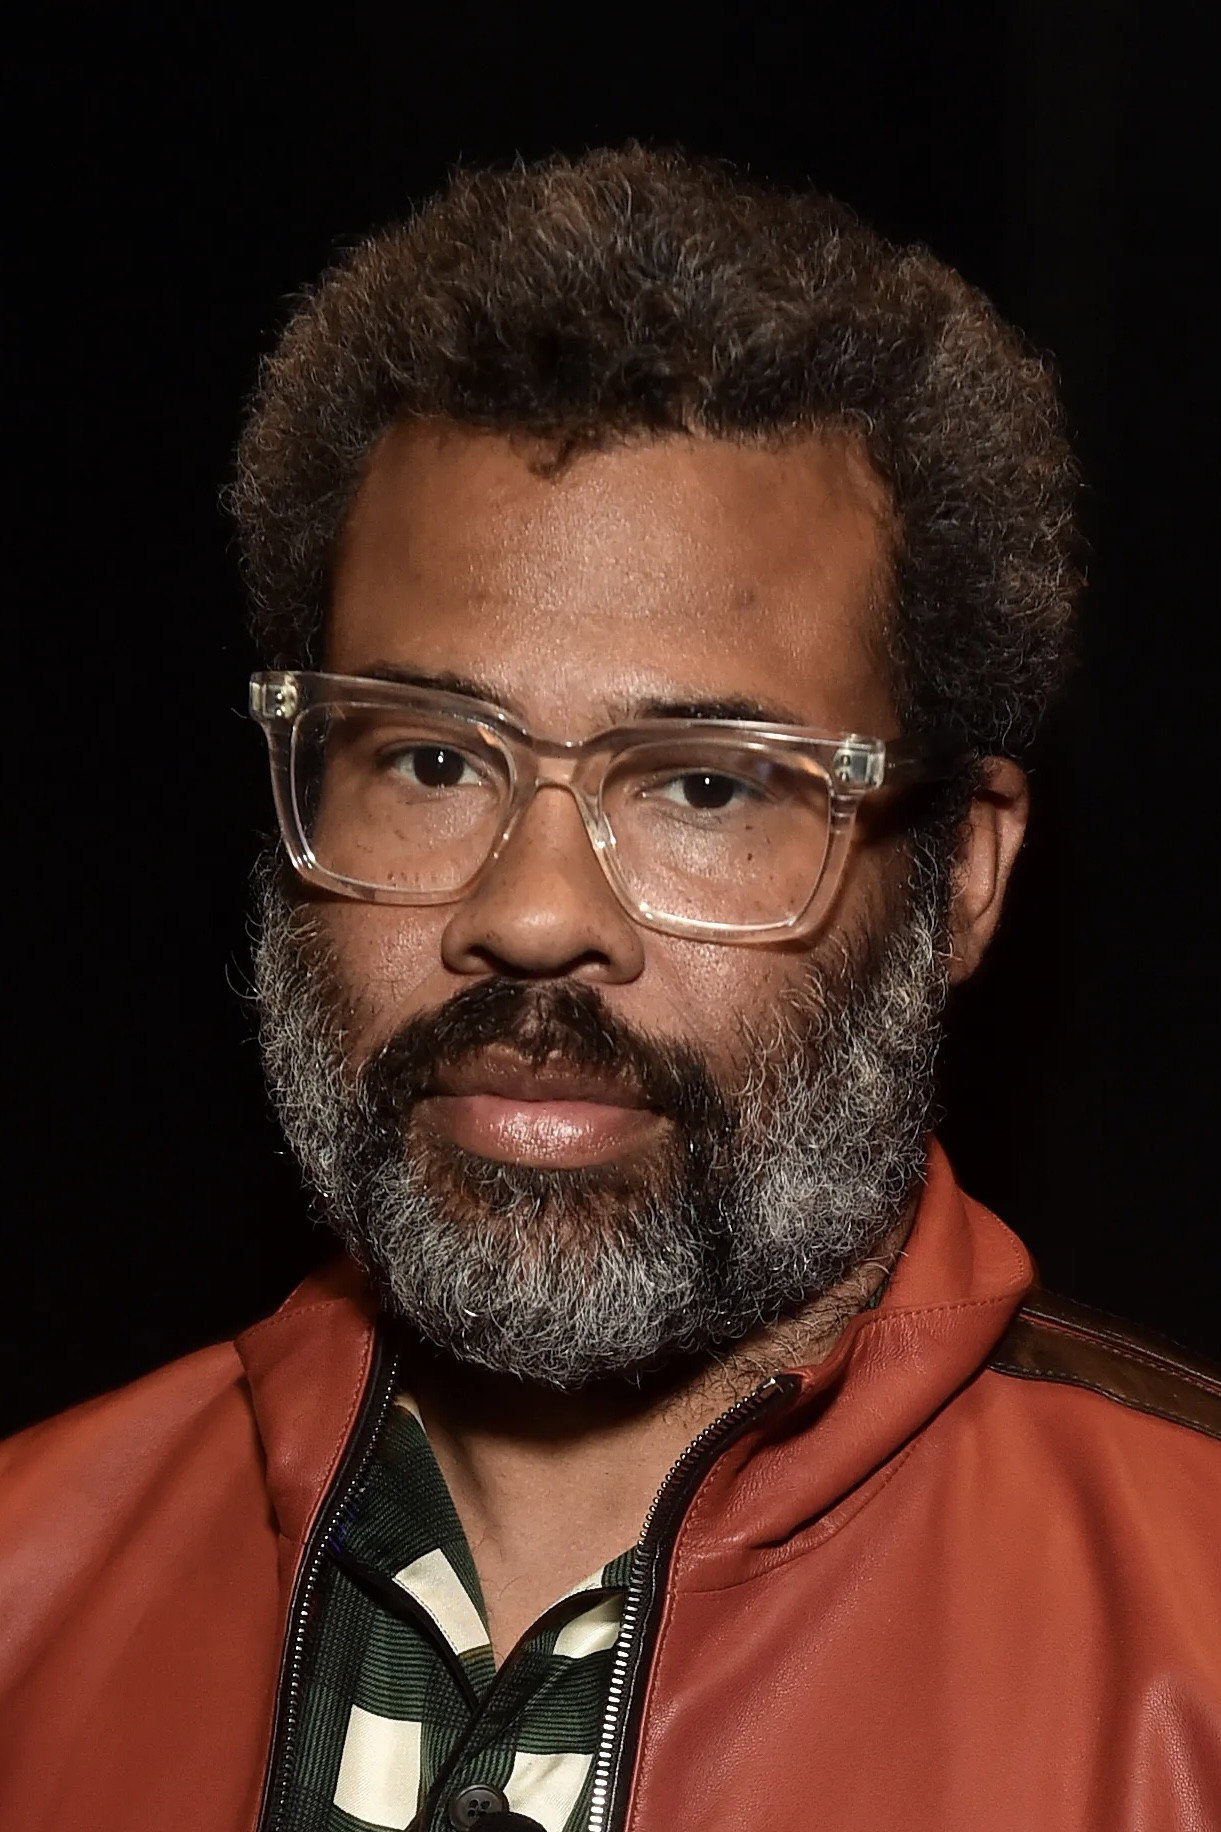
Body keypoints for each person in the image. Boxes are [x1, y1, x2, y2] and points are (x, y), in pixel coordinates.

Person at [1, 146, 1217, 1832]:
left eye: (706, 785)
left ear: (959, 877)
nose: (531, 915)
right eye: (431, 759)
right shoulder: (28, 1585)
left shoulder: (1191, 1644)